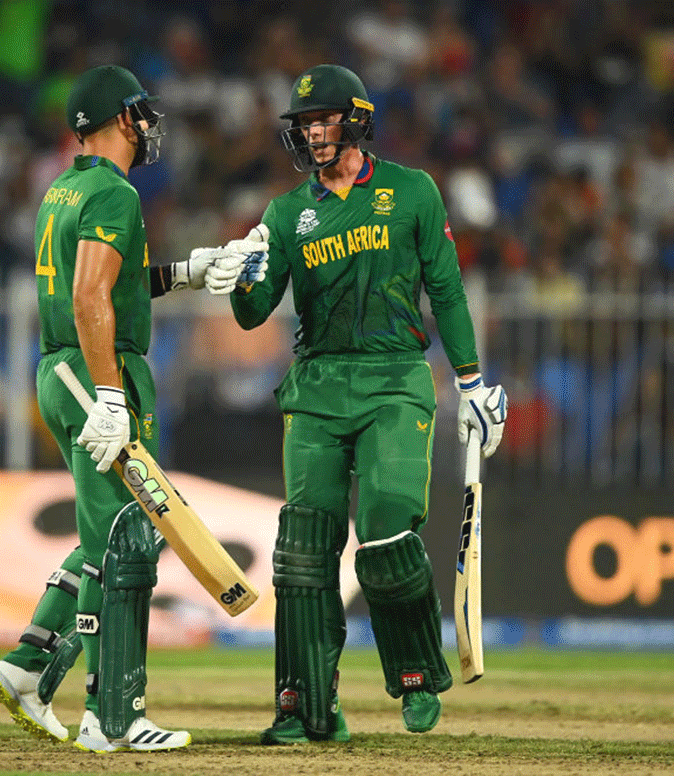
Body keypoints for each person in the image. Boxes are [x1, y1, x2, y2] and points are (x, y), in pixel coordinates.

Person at [0, 64, 263, 752]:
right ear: (118, 118)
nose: (148, 123)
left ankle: (26, 667)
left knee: (103, 535)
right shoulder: (115, 192)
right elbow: (89, 297)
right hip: (95, 371)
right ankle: (112, 717)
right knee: (127, 544)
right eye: (139, 112)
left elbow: (117, 282)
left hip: (63, 368)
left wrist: (190, 271)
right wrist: (110, 394)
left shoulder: (67, 187)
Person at [223, 64, 507, 741]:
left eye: (322, 120)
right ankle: (305, 705)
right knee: (303, 551)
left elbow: (447, 291)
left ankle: (414, 673)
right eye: (303, 125)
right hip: (317, 385)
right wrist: (242, 277)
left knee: (383, 529)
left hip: (395, 378)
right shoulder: (288, 213)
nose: (313, 134)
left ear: (354, 119)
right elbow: (252, 312)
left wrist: (470, 382)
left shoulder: (412, 192)